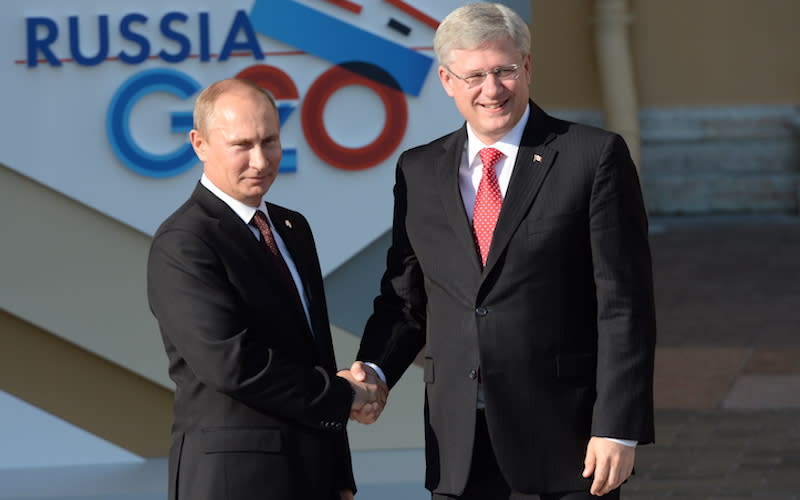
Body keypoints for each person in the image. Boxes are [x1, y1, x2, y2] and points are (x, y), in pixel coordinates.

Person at [345, 3, 656, 499]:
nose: (492, 90)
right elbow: (406, 298)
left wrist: (617, 425)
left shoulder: (592, 157)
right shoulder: (418, 171)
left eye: (504, 71)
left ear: (527, 67)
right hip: (459, 445)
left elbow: (623, 306)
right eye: (474, 76)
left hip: (568, 441)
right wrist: (374, 372)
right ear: (447, 81)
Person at [147, 78, 382, 500]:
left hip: (312, 477)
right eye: (242, 145)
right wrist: (344, 395)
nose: (260, 160)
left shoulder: (292, 228)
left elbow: (316, 355)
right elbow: (232, 365)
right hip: (234, 480)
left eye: (270, 141)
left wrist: (340, 475)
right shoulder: (184, 241)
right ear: (199, 144)